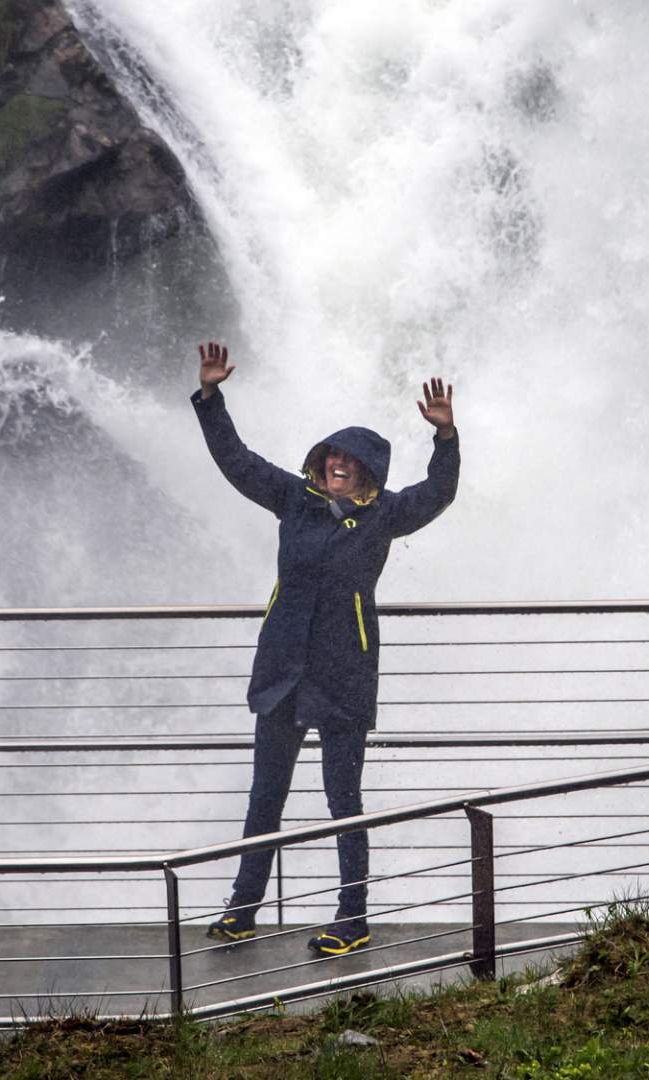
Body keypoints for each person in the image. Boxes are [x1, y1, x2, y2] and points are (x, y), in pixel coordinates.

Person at [190, 340, 460, 955]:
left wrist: (445, 438)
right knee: (266, 795)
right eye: (332, 454)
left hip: (342, 672)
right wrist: (211, 397)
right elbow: (237, 461)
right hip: (284, 668)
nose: (339, 462)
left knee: (345, 800)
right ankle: (242, 908)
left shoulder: (385, 515)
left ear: (367, 470)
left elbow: (439, 493)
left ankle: (352, 917)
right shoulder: (295, 499)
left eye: (351, 458)